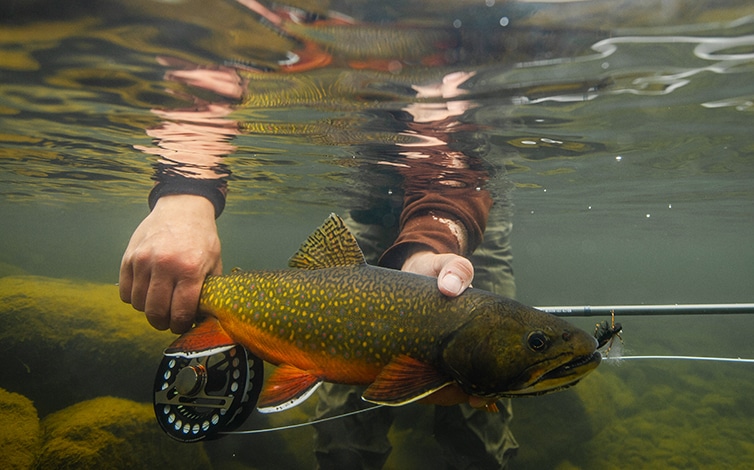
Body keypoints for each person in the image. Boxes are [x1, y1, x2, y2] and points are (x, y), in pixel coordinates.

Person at [119, 14, 517, 468]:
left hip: (459, 208)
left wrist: (432, 243)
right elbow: (207, 75)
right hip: (370, 196)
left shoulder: (462, 33)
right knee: (343, 421)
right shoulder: (266, 18)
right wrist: (183, 196)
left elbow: (452, 151)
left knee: (480, 407)